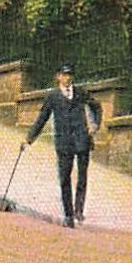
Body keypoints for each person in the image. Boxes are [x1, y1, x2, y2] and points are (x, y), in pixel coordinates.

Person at [26, 63, 102, 228]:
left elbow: (97, 106)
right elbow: (42, 118)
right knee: (64, 179)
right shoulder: (52, 96)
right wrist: (29, 139)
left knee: (82, 178)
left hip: (82, 140)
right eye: (64, 75)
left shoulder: (81, 93)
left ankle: (79, 210)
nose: (67, 78)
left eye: (69, 75)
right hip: (64, 143)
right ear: (58, 77)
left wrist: (95, 125)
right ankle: (68, 215)